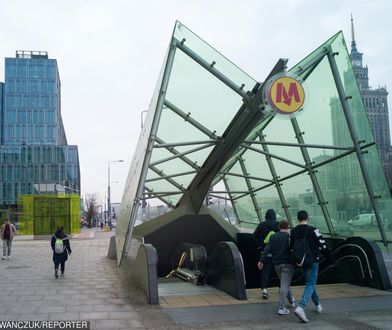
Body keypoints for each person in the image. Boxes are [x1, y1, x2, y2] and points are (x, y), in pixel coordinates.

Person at [291, 210, 333, 323]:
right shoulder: (314, 230)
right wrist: (330, 259)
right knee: (311, 283)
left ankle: (318, 305)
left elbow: (291, 247)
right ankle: (301, 307)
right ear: (307, 218)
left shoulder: (293, 231)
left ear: (298, 218)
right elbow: (323, 245)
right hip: (313, 261)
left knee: (310, 282)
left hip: (301, 262)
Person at [258, 220, 295, 315]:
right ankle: (281, 307)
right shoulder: (290, 237)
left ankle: (291, 301)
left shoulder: (273, 237)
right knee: (284, 284)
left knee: (284, 282)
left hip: (276, 264)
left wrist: (261, 260)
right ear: (288, 227)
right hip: (287, 263)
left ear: (279, 227)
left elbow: (267, 249)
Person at [253, 208, 279, 299]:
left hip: (265, 252)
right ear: (274, 216)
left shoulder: (261, 225)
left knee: (265, 271)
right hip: (277, 253)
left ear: (266, 216)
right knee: (279, 271)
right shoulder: (278, 225)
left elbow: (254, 237)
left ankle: (264, 290)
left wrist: (260, 246)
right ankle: (281, 288)